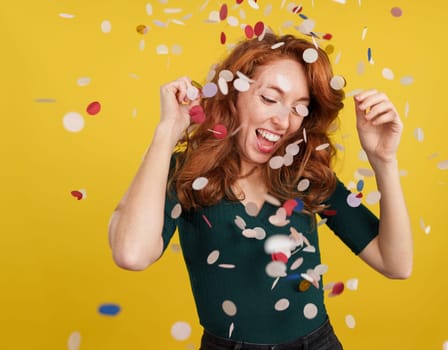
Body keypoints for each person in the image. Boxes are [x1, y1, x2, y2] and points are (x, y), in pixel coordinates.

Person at [108, 32, 412, 349]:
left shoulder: (305, 173)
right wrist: (167, 132)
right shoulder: (187, 172)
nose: (282, 121)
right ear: (233, 94)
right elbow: (131, 254)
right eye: (269, 99)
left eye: (299, 108)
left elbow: (396, 263)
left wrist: (383, 160)